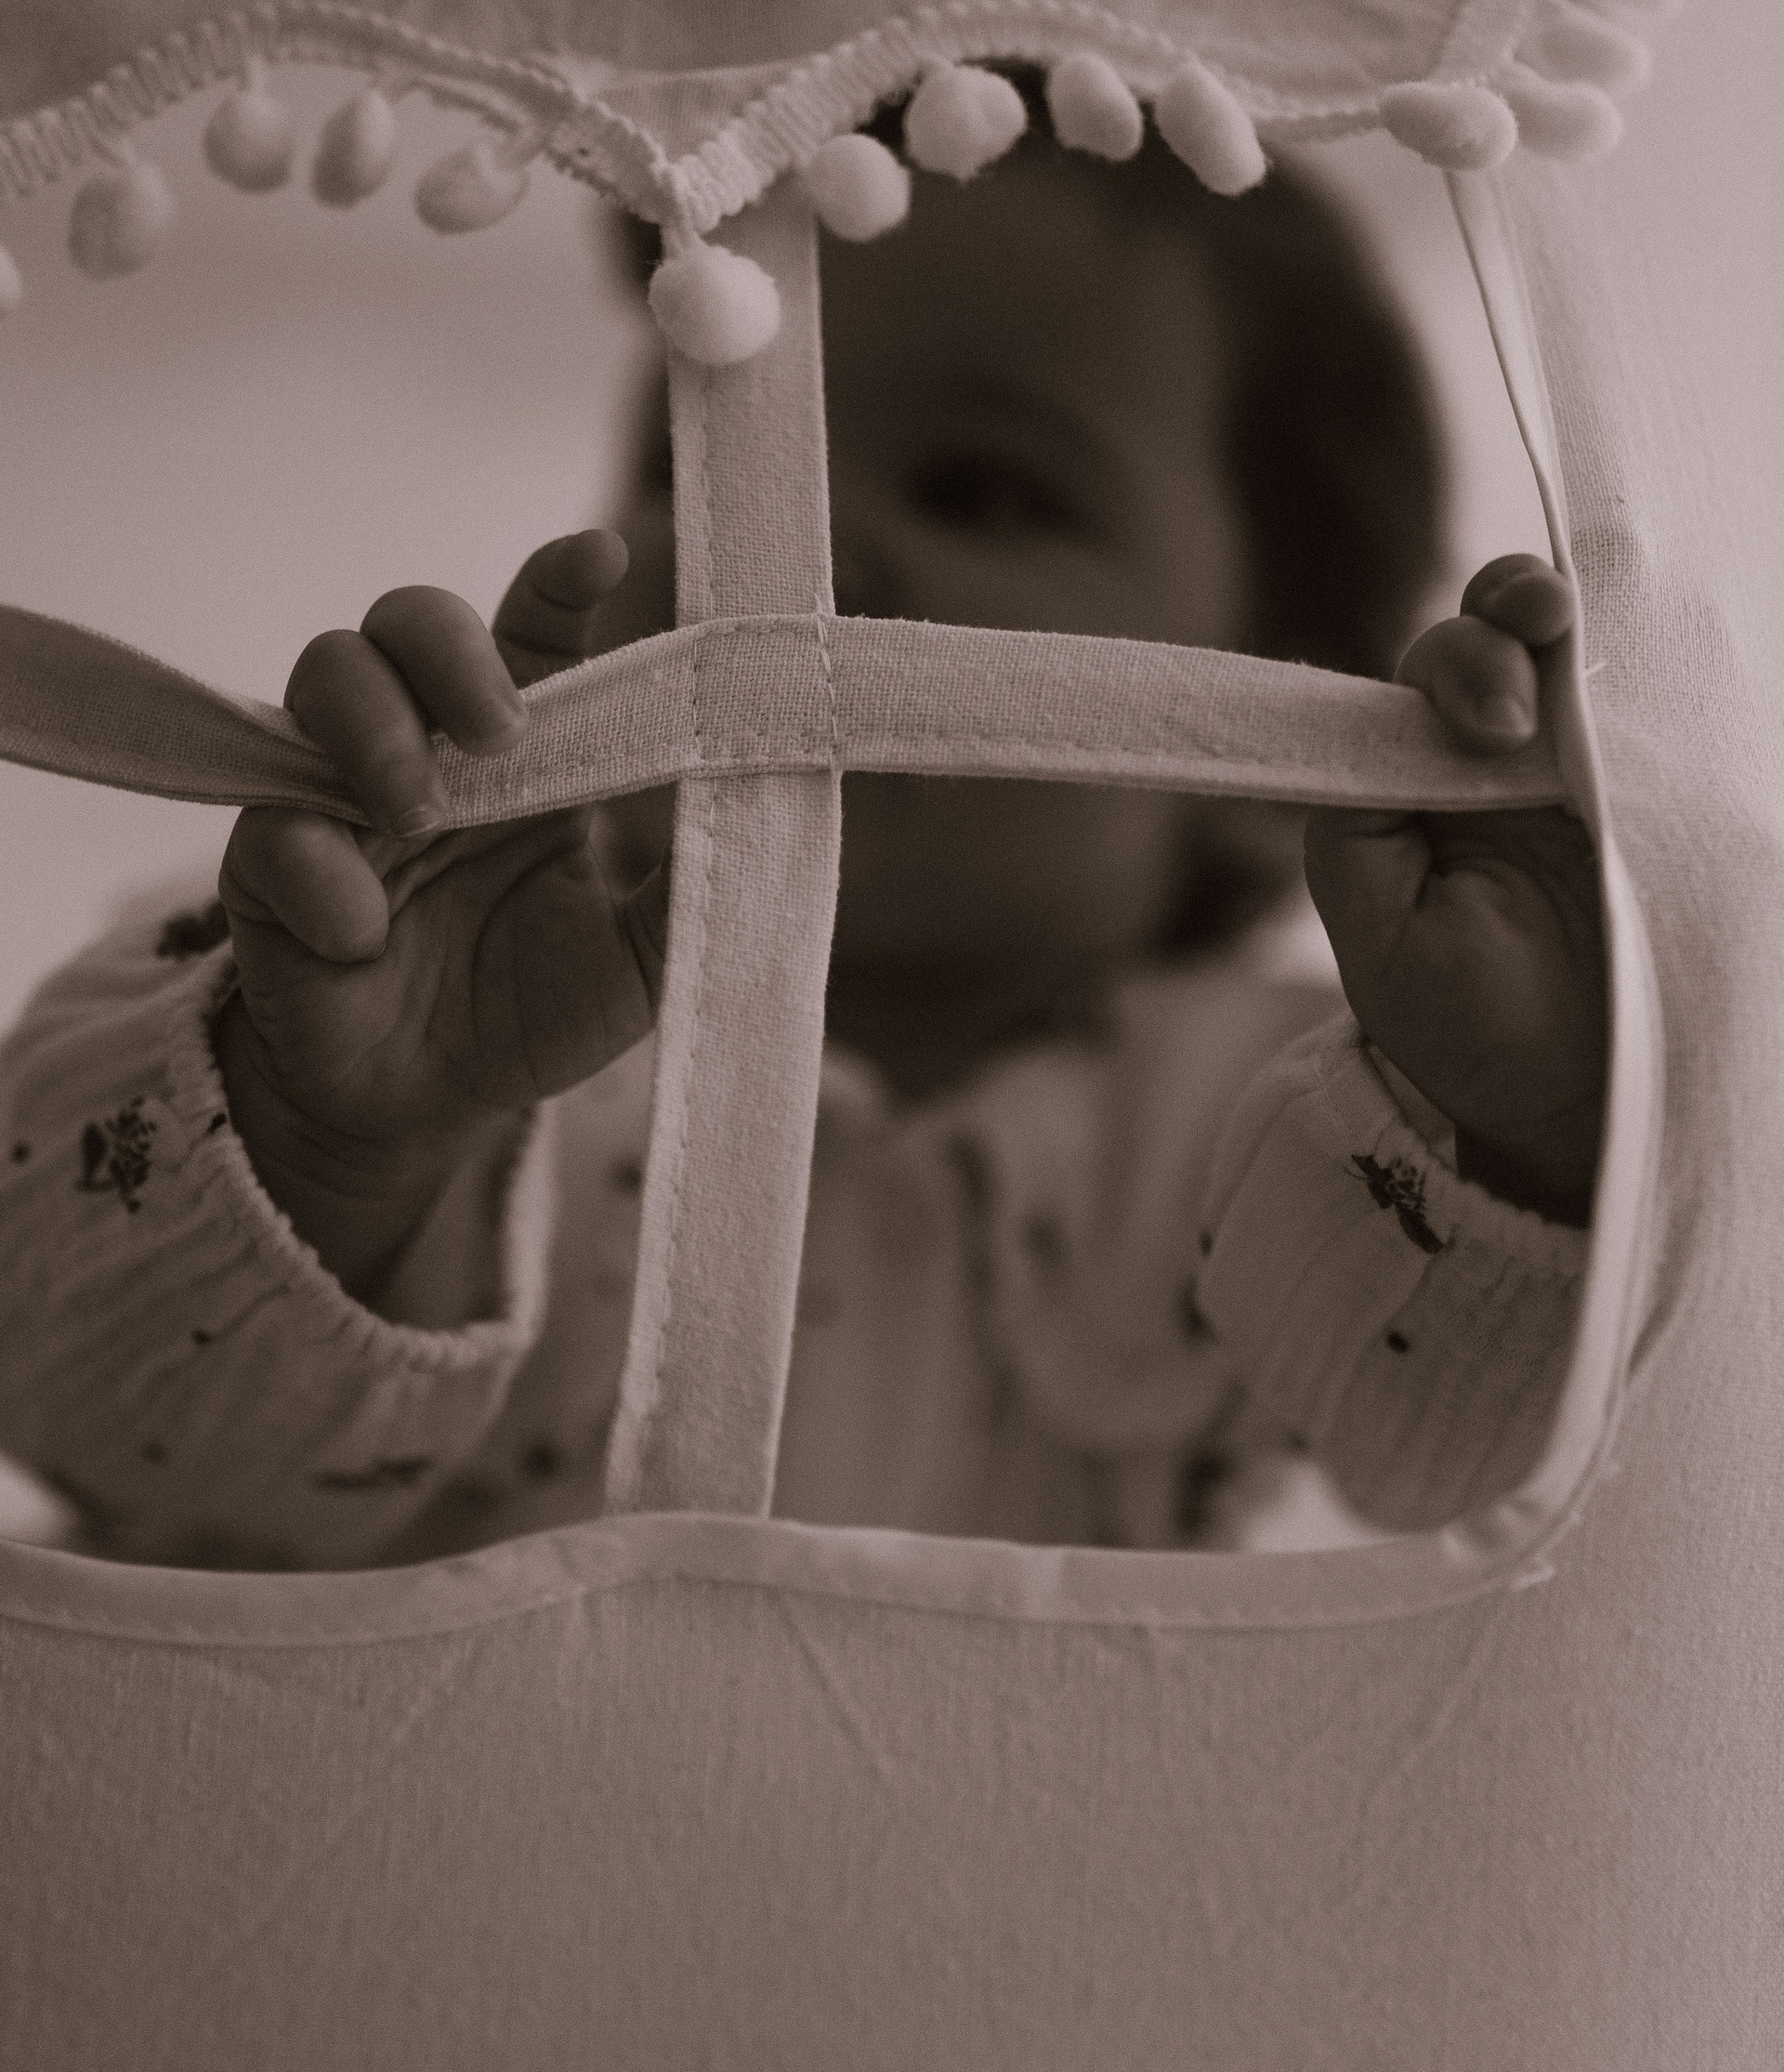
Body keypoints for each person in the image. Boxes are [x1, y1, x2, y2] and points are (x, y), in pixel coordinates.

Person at [0, 86, 1605, 1567]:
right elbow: (77, 1410)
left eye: (984, 490)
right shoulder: (387, 990)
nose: (795, 543)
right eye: (704, 462)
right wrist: (336, 1141)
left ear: (1286, 751)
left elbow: (1493, 1453)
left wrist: (1532, 1112)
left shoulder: (1278, 1120)